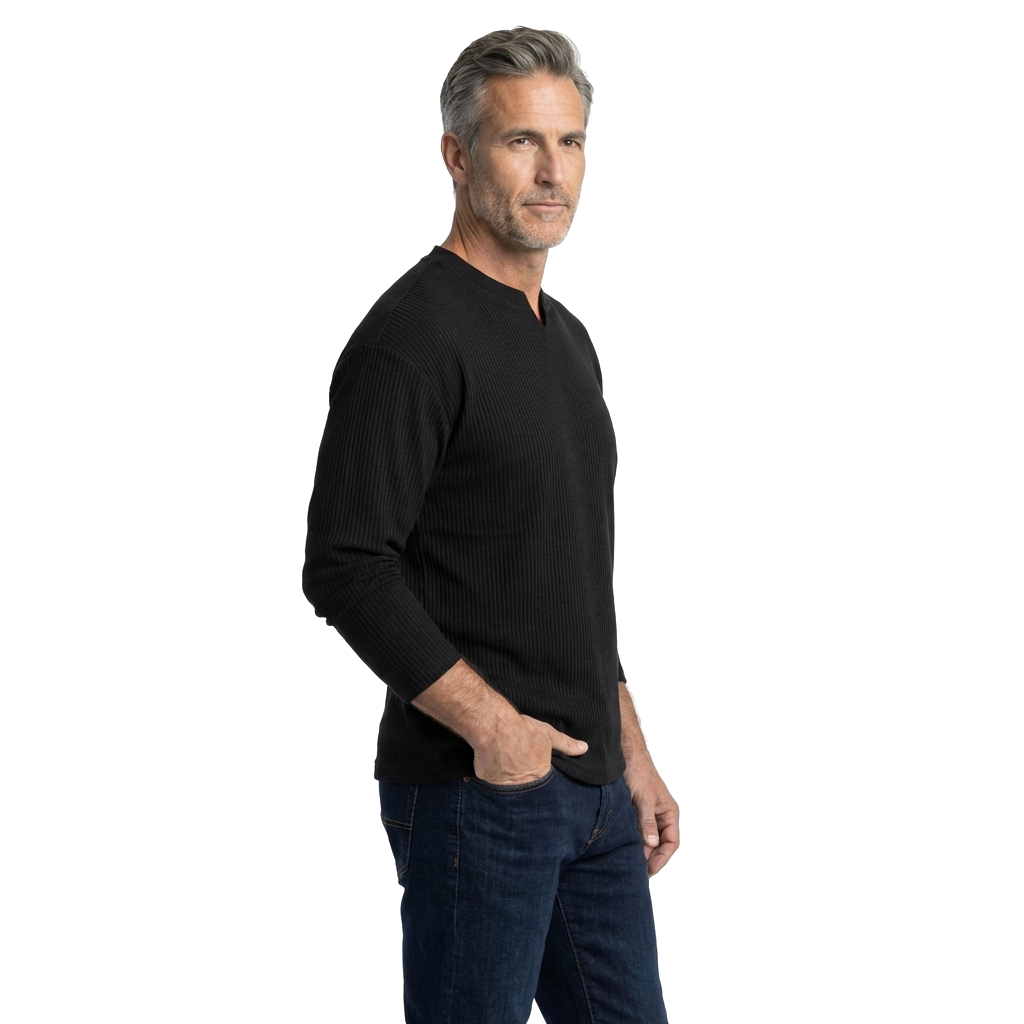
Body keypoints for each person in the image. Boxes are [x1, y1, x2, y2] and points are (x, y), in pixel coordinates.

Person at [303, 26, 678, 1023]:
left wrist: (630, 750)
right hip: (477, 790)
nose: (553, 172)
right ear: (458, 155)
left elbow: (566, 572)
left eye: (571, 142)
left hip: (593, 793)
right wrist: (495, 730)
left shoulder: (568, 339)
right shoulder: (411, 339)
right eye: (522, 142)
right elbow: (346, 565)